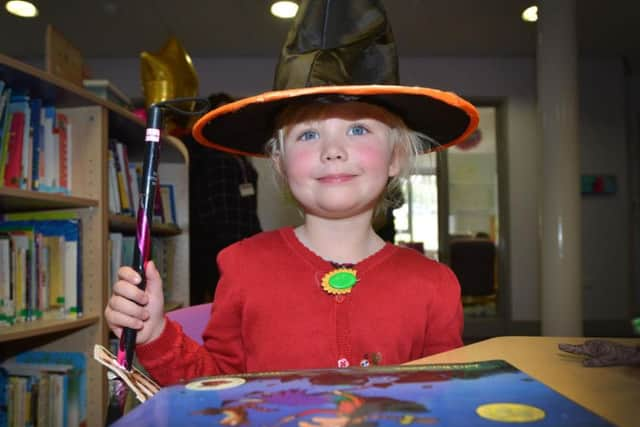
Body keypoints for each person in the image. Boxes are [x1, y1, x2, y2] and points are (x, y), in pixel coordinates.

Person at [104, 0, 479, 386]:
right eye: (309, 134)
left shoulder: (435, 284)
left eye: (358, 129)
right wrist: (154, 337)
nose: (333, 150)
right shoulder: (242, 266)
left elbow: (442, 397)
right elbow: (215, 388)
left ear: (396, 157)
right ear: (281, 164)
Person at [185, 92, 262, 305]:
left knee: (240, 301)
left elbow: (249, 205)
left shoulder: (240, 153)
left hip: (243, 239)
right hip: (210, 245)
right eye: (221, 112)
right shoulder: (200, 150)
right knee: (214, 306)